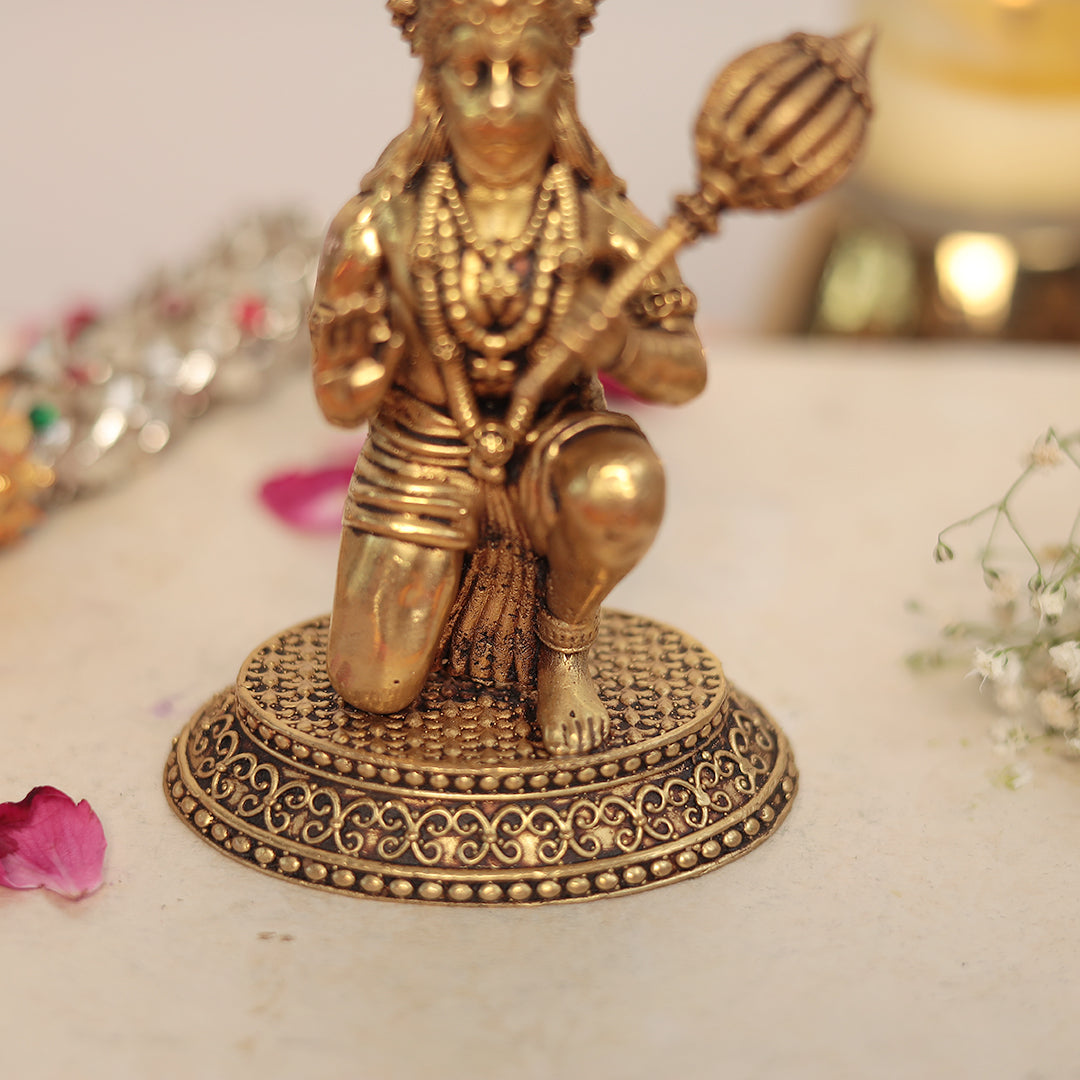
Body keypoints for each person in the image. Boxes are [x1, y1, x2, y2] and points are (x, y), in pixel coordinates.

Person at [309, 0, 706, 756]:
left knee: (622, 483)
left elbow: (685, 372)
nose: (498, 99)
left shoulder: (602, 222)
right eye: (472, 72)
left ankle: (564, 648)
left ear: (562, 84)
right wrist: (369, 358)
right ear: (432, 85)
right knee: (373, 687)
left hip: (556, 444)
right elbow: (338, 401)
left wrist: (621, 343)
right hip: (422, 451)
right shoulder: (377, 226)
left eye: (524, 72)